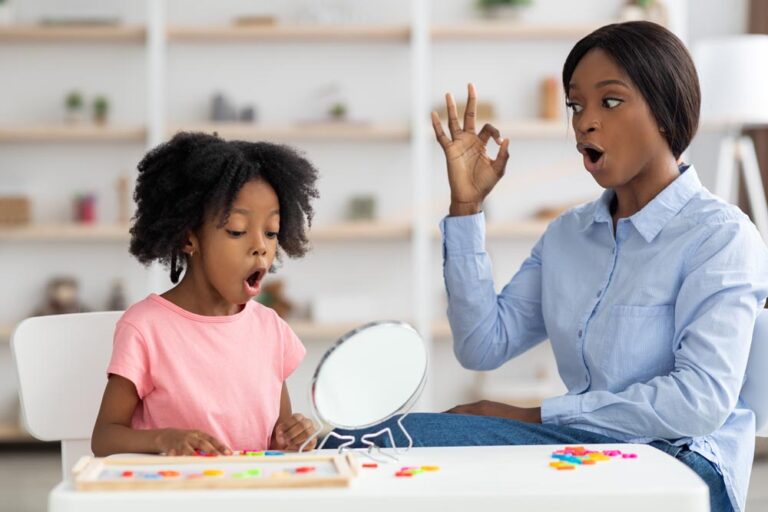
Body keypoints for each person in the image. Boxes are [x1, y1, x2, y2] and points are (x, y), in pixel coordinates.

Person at [335, 21, 768, 512]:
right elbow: (482, 345)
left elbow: (698, 403)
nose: (583, 122)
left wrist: (529, 417)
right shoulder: (568, 235)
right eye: (575, 105)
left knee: (404, 444)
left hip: (682, 460)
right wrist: (466, 208)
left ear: (666, 112)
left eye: (609, 102)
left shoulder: (721, 235)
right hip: (583, 448)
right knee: (365, 442)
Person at [91, 132, 320, 456]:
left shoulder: (271, 329)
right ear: (188, 238)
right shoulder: (145, 328)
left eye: (271, 232)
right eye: (237, 231)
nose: (260, 246)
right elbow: (104, 438)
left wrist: (291, 438)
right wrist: (163, 439)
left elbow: (273, 443)